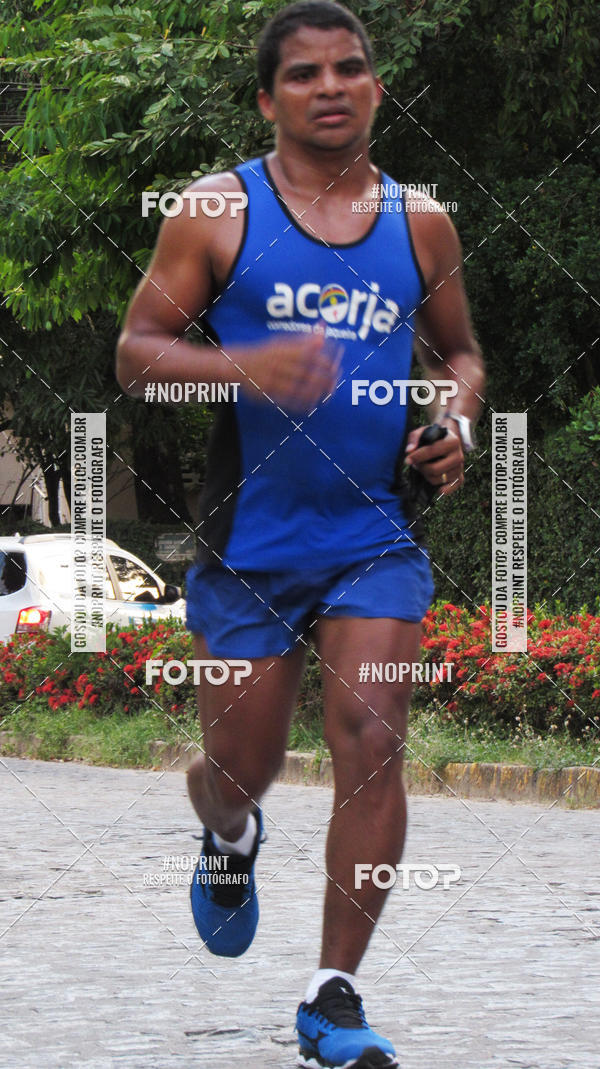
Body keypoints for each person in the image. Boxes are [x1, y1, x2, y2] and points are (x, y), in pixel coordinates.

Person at [116, 3, 484, 1066]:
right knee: (245, 764)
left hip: (374, 534)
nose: (332, 86)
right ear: (270, 98)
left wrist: (451, 423)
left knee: (373, 741)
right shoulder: (215, 209)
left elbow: (462, 358)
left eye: (351, 69)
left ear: (375, 87)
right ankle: (227, 832)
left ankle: (333, 995)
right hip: (253, 540)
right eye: (307, 73)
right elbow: (138, 351)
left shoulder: (423, 224)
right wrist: (247, 367)